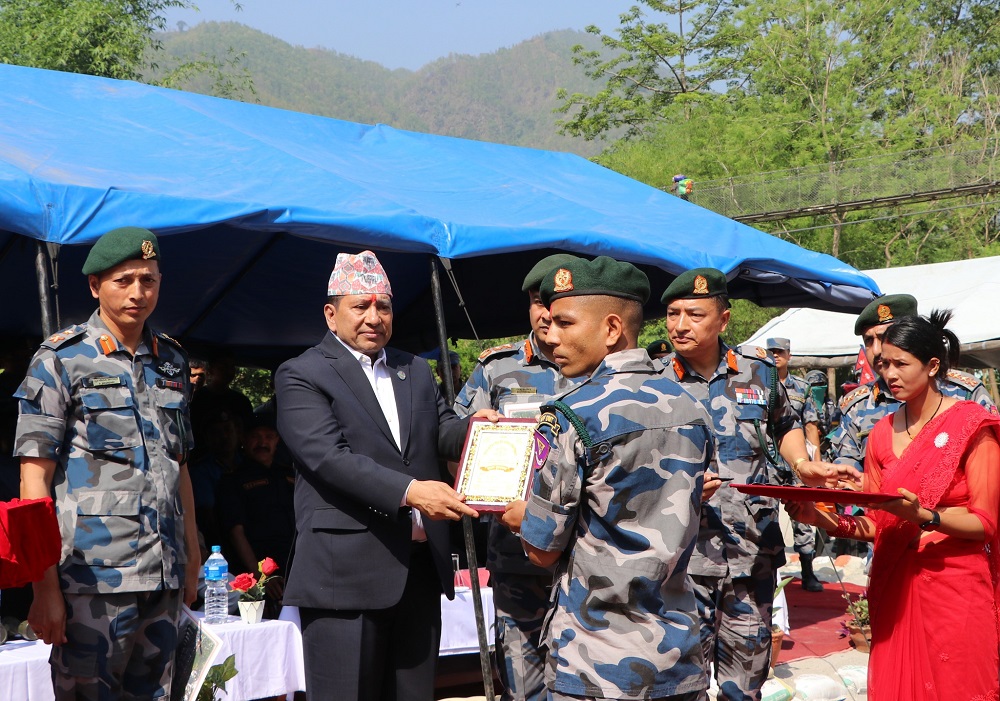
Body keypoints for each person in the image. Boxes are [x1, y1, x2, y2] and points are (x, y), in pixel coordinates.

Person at [274, 249, 497, 701]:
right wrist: (412, 492)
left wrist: (479, 429)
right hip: (344, 577)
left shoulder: (412, 369)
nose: (374, 317)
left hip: (419, 571)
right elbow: (328, 458)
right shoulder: (301, 373)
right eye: (361, 306)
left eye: (384, 307)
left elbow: (441, 432)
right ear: (331, 314)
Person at [14, 226, 199, 700]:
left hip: (164, 573)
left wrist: (192, 558)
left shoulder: (172, 362)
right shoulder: (61, 359)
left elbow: (179, 467)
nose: (138, 292)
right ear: (95, 286)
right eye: (124, 280)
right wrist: (44, 588)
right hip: (90, 578)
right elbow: (33, 481)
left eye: (149, 279)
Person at [518, 256, 713, 701]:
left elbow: (541, 551)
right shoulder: (691, 406)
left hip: (596, 663)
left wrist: (521, 517)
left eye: (565, 323)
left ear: (611, 329)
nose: (551, 336)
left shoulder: (571, 415)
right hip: (678, 655)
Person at [660, 268, 855, 700]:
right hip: (681, 555)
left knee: (746, 681)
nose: (680, 325)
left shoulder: (758, 372)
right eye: (673, 314)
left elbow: (785, 425)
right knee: (680, 682)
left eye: (694, 314)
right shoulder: (653, 382)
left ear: (723, 320)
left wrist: (802, 464)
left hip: (750, 550)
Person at [785, 310, 1000, 700]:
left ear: (932, 366)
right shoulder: (881, 434)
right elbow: (877, 524)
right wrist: (820, 518)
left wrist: (925, 516)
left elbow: (985, 523)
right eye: (884, 364)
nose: (889, 374)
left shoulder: (972, 424)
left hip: (956, 588)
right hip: (895, 588)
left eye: (901, 364)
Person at [454, 252, 580, 701]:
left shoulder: (601, 366)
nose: (546, 313)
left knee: (581, 681)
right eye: (537, 301)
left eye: (557, 302)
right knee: (522, 683)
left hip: (584, 557)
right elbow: (453, 446)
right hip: (516, 556)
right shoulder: (497, 368)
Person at [830, 294, 996, 473]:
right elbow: (847, 474)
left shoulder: (965, 392)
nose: (877, 350)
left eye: (885, 337)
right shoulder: (856, 406)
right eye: (869, 341)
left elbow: (991, 465)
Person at [215, 412, 294, 616]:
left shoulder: (290, 475)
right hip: (255, 577)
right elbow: (236, 533)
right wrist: (261, 578)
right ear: (243, 439)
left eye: (268, 436)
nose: (262, 443)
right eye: (256, 437)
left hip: (295, 570)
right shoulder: (233, 481)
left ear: (277, 440)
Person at [765, 337, 823, 592]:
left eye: (780, 352)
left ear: (789, 355)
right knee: (766, 515)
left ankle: (808, 571)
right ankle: (770, 573)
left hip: (797, 462)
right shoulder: (756, 383)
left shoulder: (802, 387)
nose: (775, 355)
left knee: (803, 516)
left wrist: (815, 463)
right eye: (771, 351)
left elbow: (810, 425)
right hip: (768, 462)